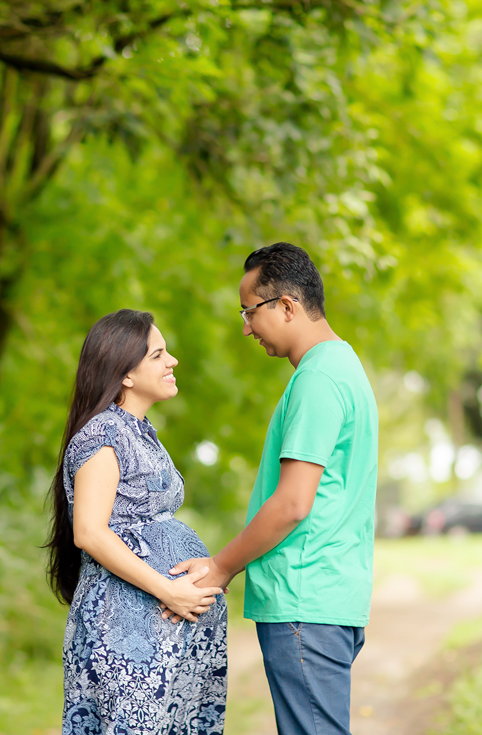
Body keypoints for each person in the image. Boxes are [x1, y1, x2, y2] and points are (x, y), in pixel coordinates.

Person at [170, 243, 379, 735]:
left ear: (287, 305)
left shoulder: (319, 379)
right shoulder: (342, 367)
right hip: (328, 597)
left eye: (250, 311)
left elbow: (291, 503)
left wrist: (221, 567)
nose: (245, 326)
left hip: (306, 599)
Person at [47, 309, 227, 735]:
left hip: (160, 631)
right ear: (126, 374)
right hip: (125, 628)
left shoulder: (140, 431)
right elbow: (89, 531)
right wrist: (169, 590)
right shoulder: (103, 433)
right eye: (159, 355)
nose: (173, 362)